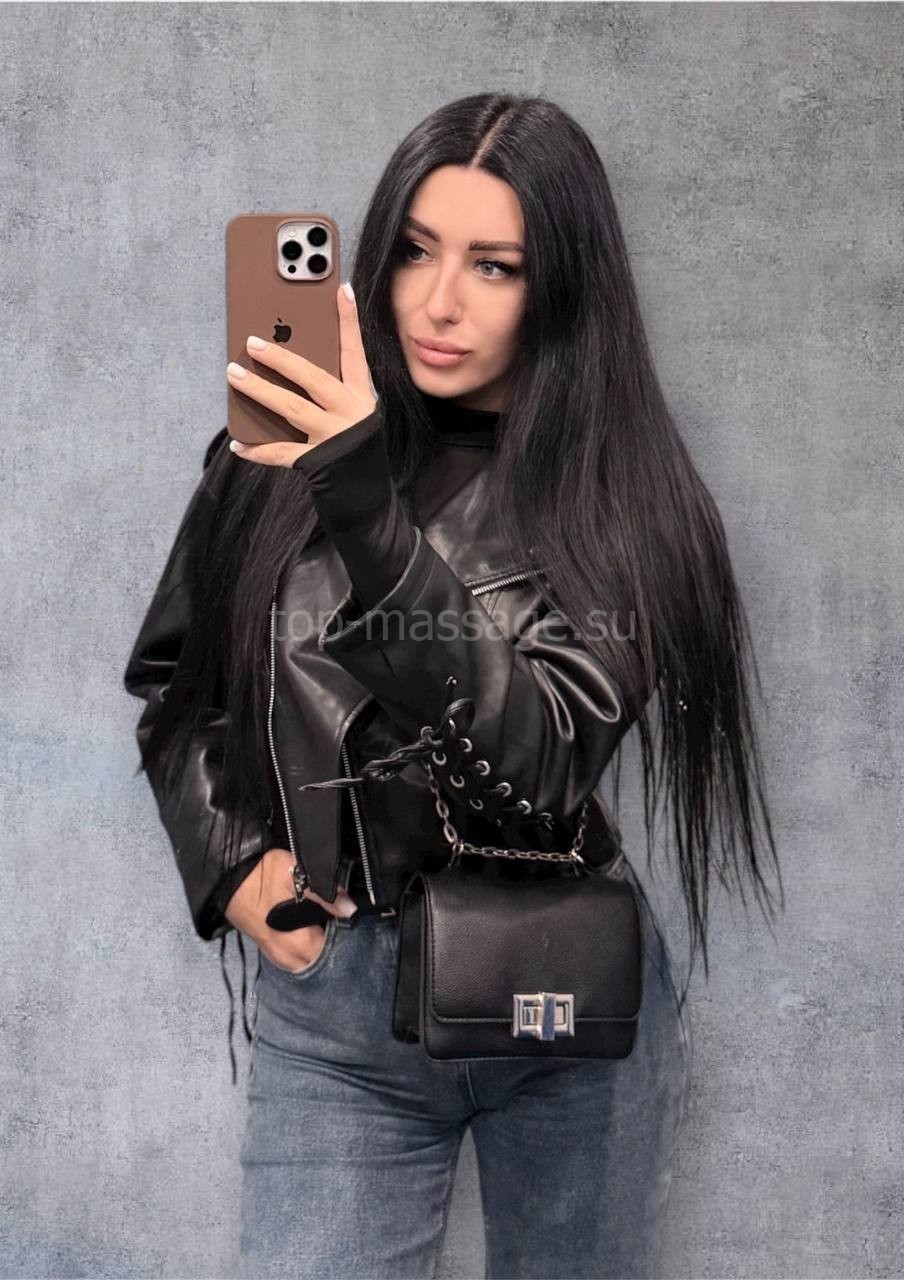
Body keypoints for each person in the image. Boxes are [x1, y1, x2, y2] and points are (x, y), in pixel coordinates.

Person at [124, 92, 783, 1280]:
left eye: (495, 265)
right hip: (339, 1002)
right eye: (417, 250)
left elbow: (538, 766)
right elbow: (178, 686)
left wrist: (362, 501)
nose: (439, 302)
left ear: (562, 285)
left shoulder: (624, 503)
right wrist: (232, 867)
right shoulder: (270, 458)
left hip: (564, 1003)